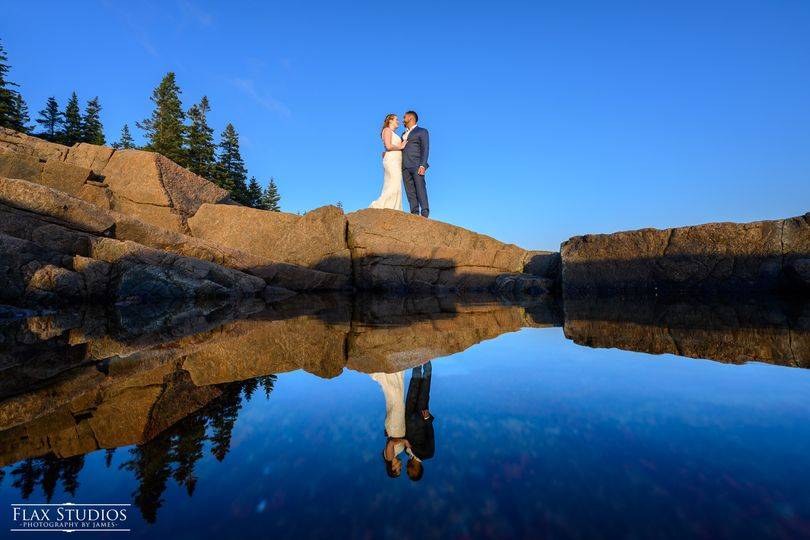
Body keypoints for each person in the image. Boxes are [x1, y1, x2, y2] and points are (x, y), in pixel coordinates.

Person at [370, 113, 406, 210]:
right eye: (396, 119)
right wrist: (401, 146)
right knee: (393, 183)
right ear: (390, 120)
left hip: (396, 161)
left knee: (396, 184)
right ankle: (381, 206)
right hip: (391, 160)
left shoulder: (394, 133)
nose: (398, 122)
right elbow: (388, 146)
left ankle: (394, 208)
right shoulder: (387, 130)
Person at [405, 361, 434, 482]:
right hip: (421, 416)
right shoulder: (428, 454)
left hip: (408, 414)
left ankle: (417, 361)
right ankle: (427, 360)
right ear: (416, 472)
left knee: (413, 386)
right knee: (424, 389)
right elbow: (430, 435)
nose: (407, 470)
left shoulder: (406, 453)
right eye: (409, 473)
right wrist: (427, 419)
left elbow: (402, 435)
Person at [401, 110, 430, 217]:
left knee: (420, 188)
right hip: (404, 167)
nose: (403, 119)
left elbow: (425, 148)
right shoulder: (403, 134)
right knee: (410, 191)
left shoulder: (422, 131)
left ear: (411, 118)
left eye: (404, 117)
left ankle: (425, 212)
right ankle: (414, 213)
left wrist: (423, 165)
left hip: (417, 164)